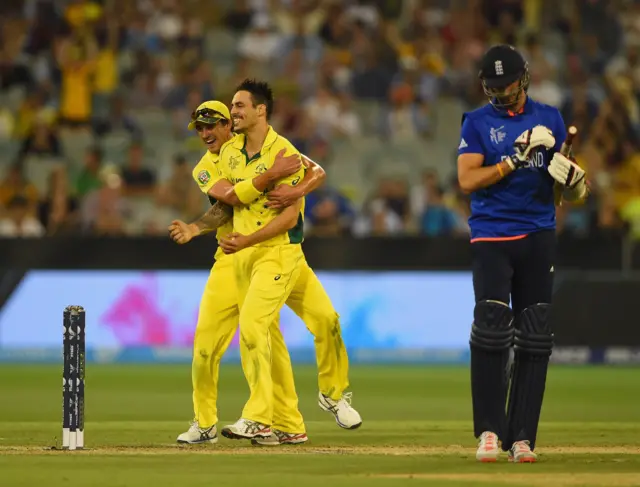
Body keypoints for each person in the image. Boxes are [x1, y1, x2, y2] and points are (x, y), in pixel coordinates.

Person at [209, 79, 362, 442]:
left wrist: (296, 188)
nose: (234, 111)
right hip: (248, 258)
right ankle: (285, 423)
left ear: (261, 110)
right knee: (266, 331)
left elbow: (293, 213)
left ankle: (330, 395)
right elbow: (227, 197)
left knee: (322, 322)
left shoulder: (285, 152)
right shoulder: (230, 152)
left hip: (281, 253)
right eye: (232, 106)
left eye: (240, 106)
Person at [456, 45, 588, 463]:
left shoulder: (550, 118)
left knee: (535, 335)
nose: (500, 93)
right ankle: (490, 432)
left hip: (538, 234)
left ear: (524, 78)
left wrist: (574, 184)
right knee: (492, 328)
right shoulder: (477, 122)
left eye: (507, 85)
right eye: (492, 86)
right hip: (493, 235)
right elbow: (467, 179)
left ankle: (523, 437)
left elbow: (561, 189)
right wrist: (514, 159)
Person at [169, 100, 315, 445]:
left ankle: (288, 423)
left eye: (211, 126)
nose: (205, 134)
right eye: (199, 129)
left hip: (267, 254)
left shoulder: (251, 149)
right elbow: (229, 201)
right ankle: (204, 423)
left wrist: (278, 175)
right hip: (230, 258)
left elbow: (299, 174)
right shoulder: (205, 166)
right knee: (205, 344)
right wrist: (195, 228)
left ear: (229, 125)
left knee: (266, 341)